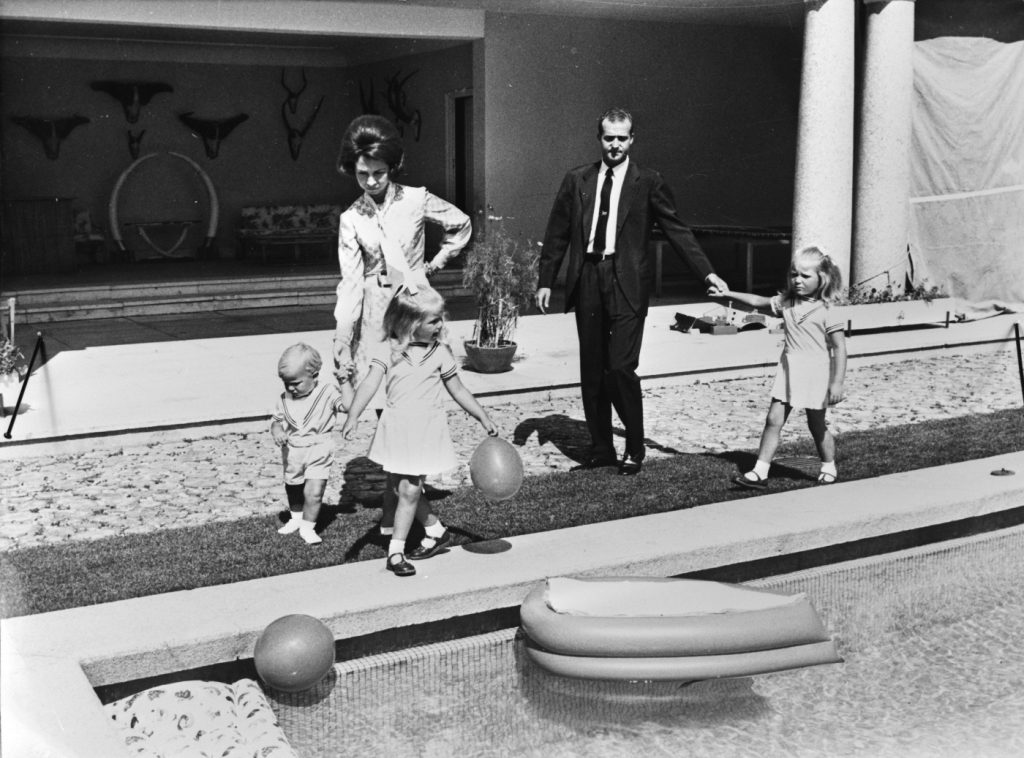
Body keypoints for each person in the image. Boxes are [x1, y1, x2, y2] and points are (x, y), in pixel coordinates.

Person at [536, 107, 728, 476]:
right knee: (592, 370)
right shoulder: (578, 179)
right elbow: (557, 231)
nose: (615, 145)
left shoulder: (648, 181)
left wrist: (707, 273)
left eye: (622, 138)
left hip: (626, 283)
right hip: (588, 278)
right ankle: (601, 448)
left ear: (632, 140)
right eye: (609, 137)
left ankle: (634, 445)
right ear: (600, 138)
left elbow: (677, 230)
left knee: (620, 367)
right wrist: (547, 279)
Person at [333, 114, 472, 540]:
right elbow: (351, 284)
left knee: (413, 414)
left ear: (392, 167)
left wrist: (431, 265)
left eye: (378, 172)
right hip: (377, 321)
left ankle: (407, 517)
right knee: (389, 418)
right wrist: (343, 338)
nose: (371, 181)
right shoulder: (351, 218)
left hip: (416, 315)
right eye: (361, 174)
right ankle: (400, 516)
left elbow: (461, 225)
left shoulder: (416, 199)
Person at [342, 285, 498, 577]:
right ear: (411, 324)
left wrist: (481, 415)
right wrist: (353, 415)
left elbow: (458, 389)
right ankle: (436, 531)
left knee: (410, 489)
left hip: (425, 430)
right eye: (433, 320)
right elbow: (369, 384)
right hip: (398, 428)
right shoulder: (388, 351)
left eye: (440, 318)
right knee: (401, 487)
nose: (440, 325)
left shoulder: (440, 354)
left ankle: (396, 552)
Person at [707, 246, 847, 488]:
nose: (798, 280)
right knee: (773, 419)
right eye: (794, 274)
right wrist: (727, 295)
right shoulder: (787, 302)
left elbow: (840, 349)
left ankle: (828, 465)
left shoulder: (828, 311)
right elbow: (756, 302)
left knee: (816, 424)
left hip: (815, 372)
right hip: (788, 369)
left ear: (821, 278)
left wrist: (836, 383)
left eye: (805, 276)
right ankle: (760, 471)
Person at [270, 343, 353, 545]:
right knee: (294, 486)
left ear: (314, 375)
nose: (291, 388)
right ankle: (296, 518)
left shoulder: (327, 392)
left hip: (319, 449)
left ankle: (308, 527)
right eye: (286, 383)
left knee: (314, 492)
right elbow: (276, 420)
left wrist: (344, 382)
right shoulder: (285, 398)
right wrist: (278, 430)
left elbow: (348, 406)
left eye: (296, 383)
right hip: (293, 451)